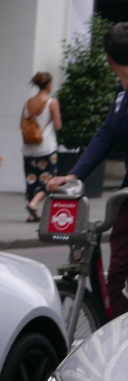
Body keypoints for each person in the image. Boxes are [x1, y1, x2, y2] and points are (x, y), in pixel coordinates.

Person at [48, 21, 128, 318]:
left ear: (108, 59)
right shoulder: (121, 98)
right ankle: (118, 337)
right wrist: (75, 174)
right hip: (126, 198)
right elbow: (105, 136)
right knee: (118, 271)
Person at [21, 72, 62, 222]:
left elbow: (22, 125)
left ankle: (32, 214)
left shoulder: (28, 103)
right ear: (49, 85)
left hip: (29, 148)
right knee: (48, 179)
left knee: (32, 179)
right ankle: (34, 203)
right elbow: (58, 125)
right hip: (46, 147)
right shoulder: (52, 102)